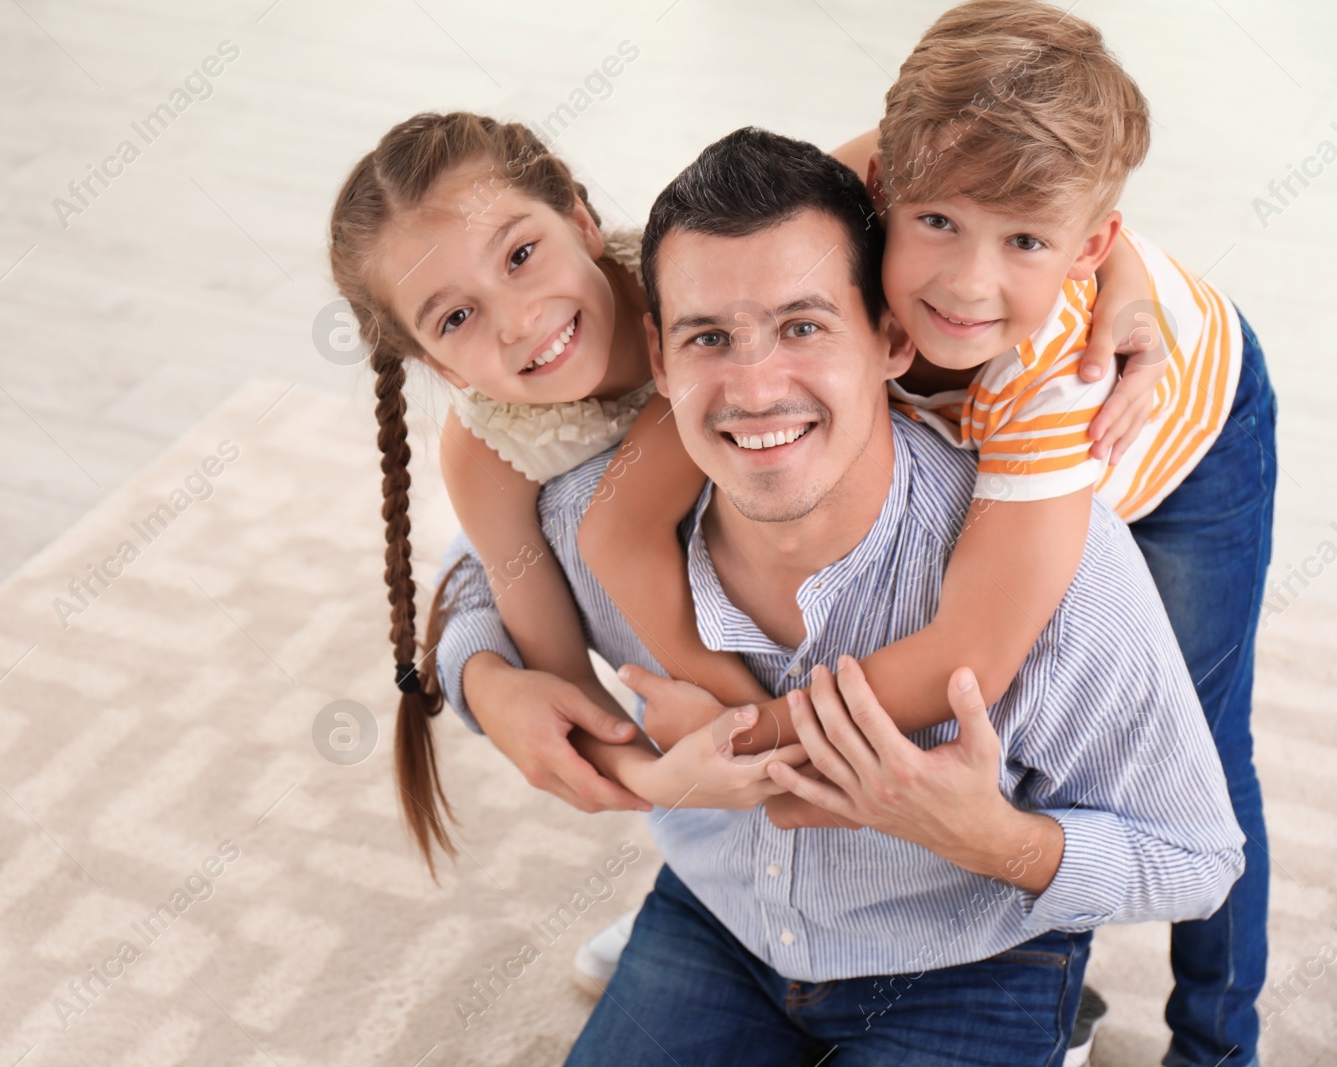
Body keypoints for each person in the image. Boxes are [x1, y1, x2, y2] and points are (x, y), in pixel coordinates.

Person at [435, 125, 1245, 1065]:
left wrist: (997, 841)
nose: (755, 386)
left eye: (803, 326)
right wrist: (485, 678)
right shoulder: (591, 504)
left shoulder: (1064, 572)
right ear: (659, 357)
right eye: (709, 337)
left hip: (966, 959)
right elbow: (475, 574)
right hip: (721, 922)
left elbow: (1199, 857)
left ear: (893, 335)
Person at [324, 106, 1161, 875]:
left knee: (1147, 718)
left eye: (520, 255)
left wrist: (1120, 270)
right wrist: (667, 774)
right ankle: (728, 902)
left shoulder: (716, 253)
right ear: (432, 363)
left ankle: (1126, 990)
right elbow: (550, 649)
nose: (517, 318)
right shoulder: (488, 454)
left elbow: (983, 140)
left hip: (1146, 421)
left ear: (579, 221)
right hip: (765, 661)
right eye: (455, 319)